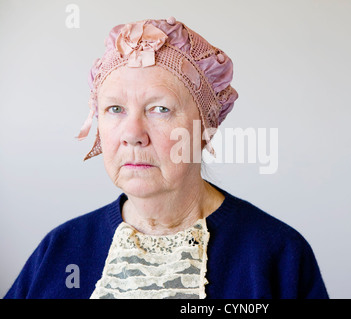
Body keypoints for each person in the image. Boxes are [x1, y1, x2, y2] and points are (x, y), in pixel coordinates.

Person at [4, 17, 328, 299]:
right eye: (115, 109)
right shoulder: (58, 250)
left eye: (160, 109)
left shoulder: (278, 255)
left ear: (205, 128)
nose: (133, 133)